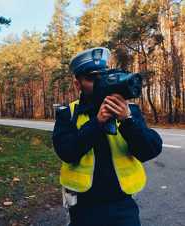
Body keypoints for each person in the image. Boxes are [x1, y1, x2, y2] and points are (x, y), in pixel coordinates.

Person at [52, 49, 163, 226]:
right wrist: (97, 123)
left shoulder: (129, 110)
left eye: (103, 77)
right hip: (84, 207)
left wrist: (127, 120)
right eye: (91, 78)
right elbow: (66, 152)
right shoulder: (68, 113)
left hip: (123, 205)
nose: (100, 83)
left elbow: (149, 150)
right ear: (77, 84)